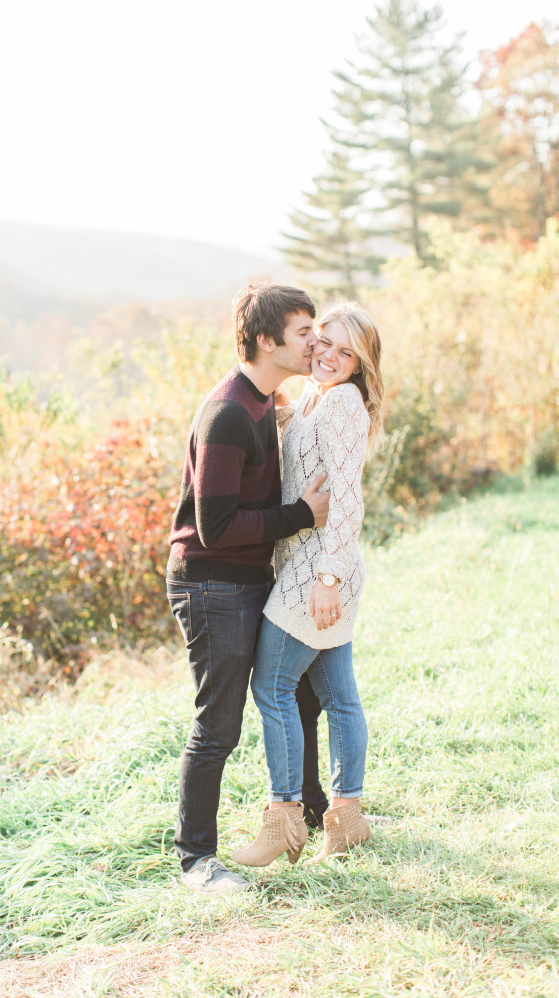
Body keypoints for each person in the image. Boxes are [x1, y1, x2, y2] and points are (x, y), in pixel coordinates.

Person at [166, 283, 332, 897]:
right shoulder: (229, 412)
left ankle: (314, 813)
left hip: (252, 577)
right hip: (211, 585)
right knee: (219, 725)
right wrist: (300, 516)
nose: (315, 340)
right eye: (303, 331)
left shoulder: (268, 400)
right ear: (267, 341)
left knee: (303, 692)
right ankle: (196, 861)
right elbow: (215, 525)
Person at [231, 300, 385, 868]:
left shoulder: (344, 402)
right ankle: (346, 818)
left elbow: (348, 501)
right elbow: (302, 451)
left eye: (348, 353)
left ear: (361, 364)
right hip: (317, 566)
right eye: (325, 342)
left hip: (317, 571)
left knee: (271, 688)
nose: (330, 356)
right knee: (338, 695)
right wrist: (274, 411)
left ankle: (284, 818)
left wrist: (326, 579)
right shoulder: (320, 397)